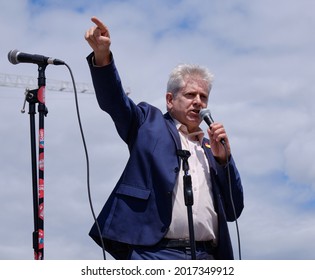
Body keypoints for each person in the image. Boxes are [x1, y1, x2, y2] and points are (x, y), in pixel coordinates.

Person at [85, 16, 244, 260]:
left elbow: (234, 210)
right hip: (156, 254)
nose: (198, 102)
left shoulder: (211, 148)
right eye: (190, 95)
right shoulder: (148, 123)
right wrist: (103, 58)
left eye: (204, 97)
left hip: (207, 256)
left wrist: (225, 162)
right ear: (170, 100)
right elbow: (114, 102)